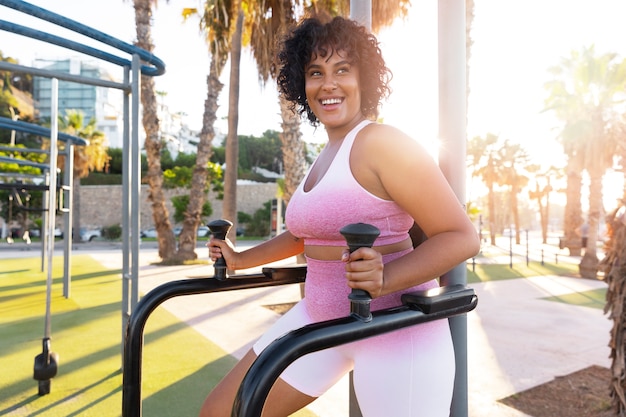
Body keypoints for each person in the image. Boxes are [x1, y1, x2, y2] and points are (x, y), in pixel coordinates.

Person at [200, 15, 480, 417]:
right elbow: (304, 237)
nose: (328, 83)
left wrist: (386, 278)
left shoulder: (383, 143)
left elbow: (461, 236)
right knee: (219, 412)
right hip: (320, 318)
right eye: (316, 72)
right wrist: (242, 259)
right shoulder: (325, 156)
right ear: (303, 85)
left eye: (342, 69)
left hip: (396, 331)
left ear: (363, 79)